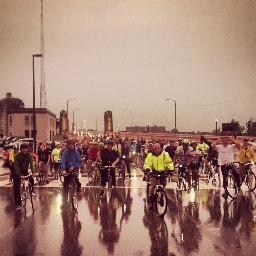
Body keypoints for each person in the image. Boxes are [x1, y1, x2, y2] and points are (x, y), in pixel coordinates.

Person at [143, 143, 174, 207]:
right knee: (153, 184)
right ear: (153, 149)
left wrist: (170, 170)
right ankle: (150, 197)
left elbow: (169, 163)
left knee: (164, 184)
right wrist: (148, 169)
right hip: (153, 172)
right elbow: (147, 163)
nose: (157, 150)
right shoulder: (150, 155)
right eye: (155, 148)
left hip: (162, 172)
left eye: (158, 148)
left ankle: (162, 194)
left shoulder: (165, 154)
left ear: (160, 148)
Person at [13, 143, 36, 211]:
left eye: (26, 148)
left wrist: (33, 171)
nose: (25, 150)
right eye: (23, 148)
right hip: (17, 172)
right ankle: (18, 204)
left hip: (25, 171)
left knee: (31, 179)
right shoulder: (17, 156)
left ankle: (31, 190)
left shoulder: (29, 155)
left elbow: (32, 163)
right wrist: (20, 175)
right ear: (21, 149)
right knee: (16, 187)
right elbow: (16, 166)